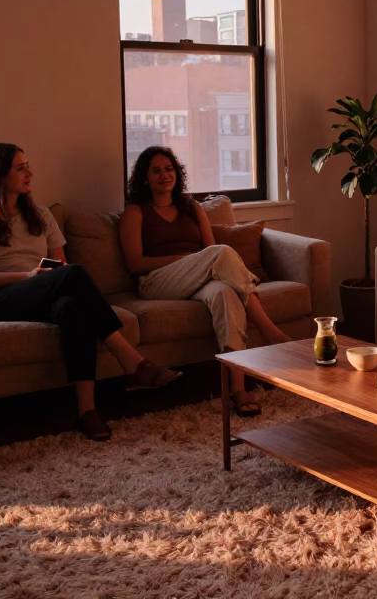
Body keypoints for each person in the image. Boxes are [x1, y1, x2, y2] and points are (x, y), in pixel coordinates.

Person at [0, 143, 182, 442]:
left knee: (73, 307)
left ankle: (87, 411)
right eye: (21, 168)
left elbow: (60, 265)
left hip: (39, 293)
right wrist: (27, 276)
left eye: (27, 165)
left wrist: (43, 277)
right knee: (72, 274)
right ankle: (133, 363)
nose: (30, 172)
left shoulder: (41, 215)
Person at [118, 146, 291, 417]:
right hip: (156, 282)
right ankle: (270, 331)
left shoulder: (192, 208)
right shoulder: (136, 212)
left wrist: (196, 263)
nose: (165, 175)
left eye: (169, 168)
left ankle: (238, 388)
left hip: (199, 276)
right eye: (156, 170)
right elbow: (135, 263)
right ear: (145, 178)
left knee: (225, 293)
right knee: (220, 254)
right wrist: (183, 259)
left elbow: (211, 254)